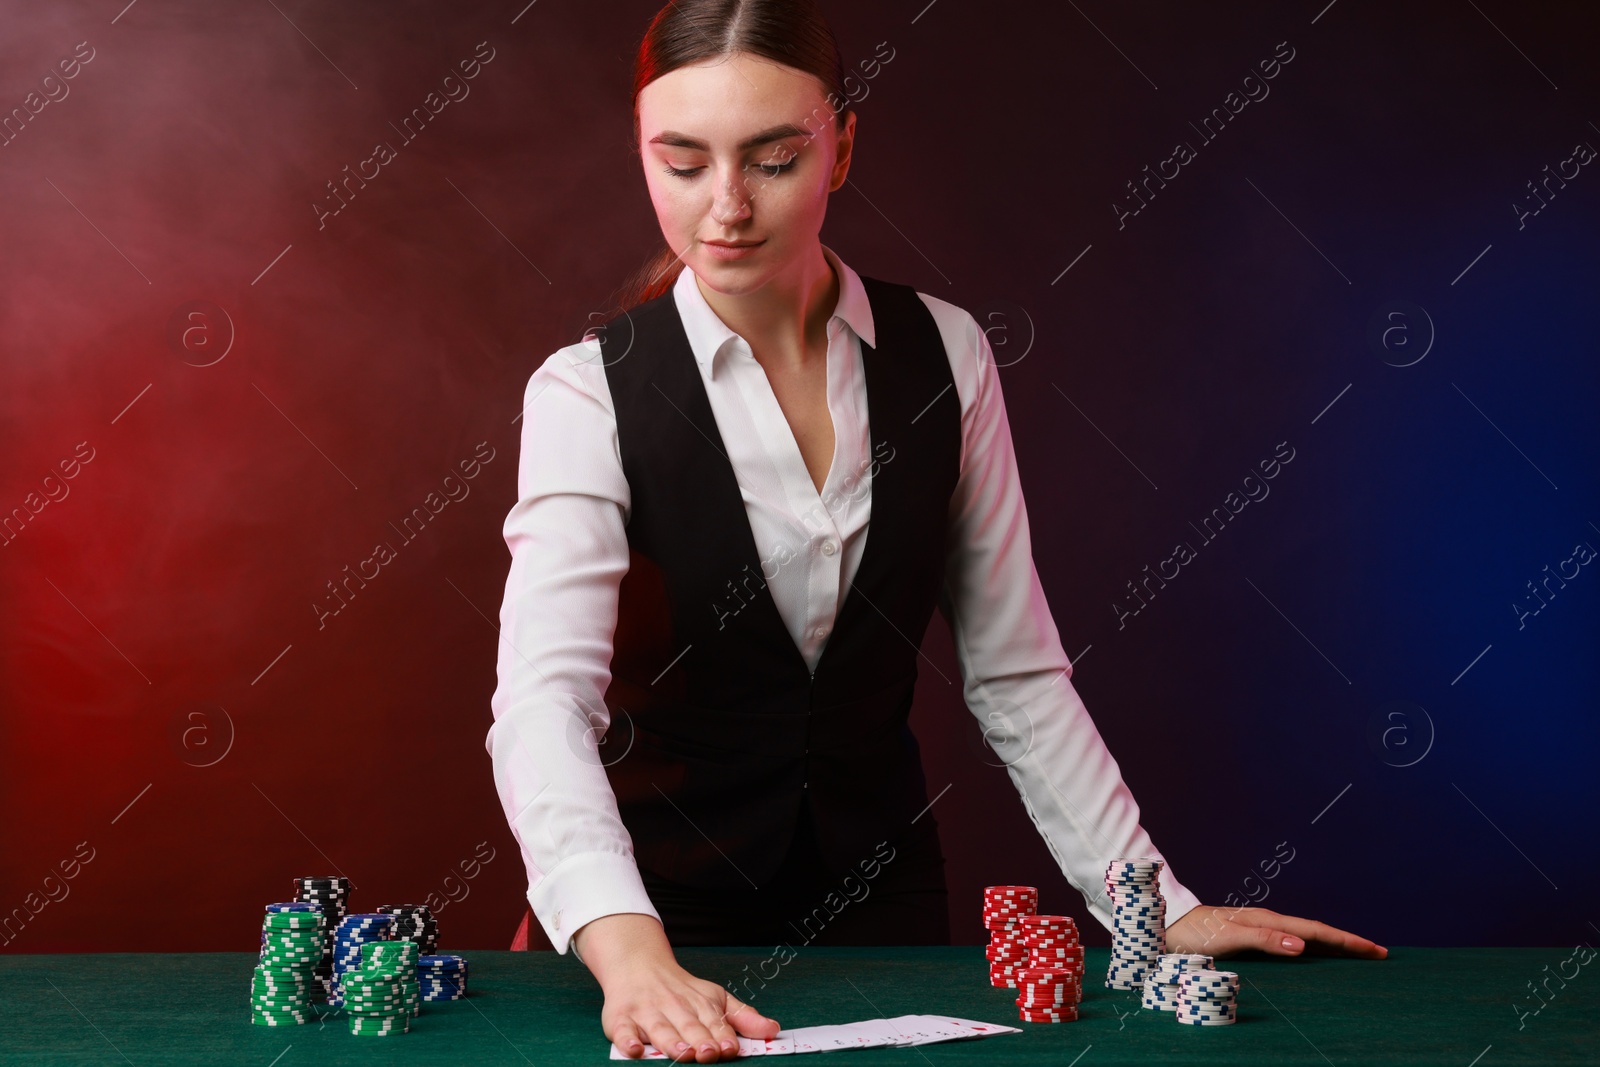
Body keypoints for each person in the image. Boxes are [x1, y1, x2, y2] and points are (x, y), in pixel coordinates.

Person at [485, 2, 1386, 1063]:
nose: (723, 207)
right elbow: (544, 702)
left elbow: (1013, 673)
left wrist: (1155, 901)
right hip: (647, 912)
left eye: (773, 160)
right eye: (680, 163)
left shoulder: (946, 353)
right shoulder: (584, 393)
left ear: (843, 146)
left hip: (880, 898)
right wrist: (627, 947)